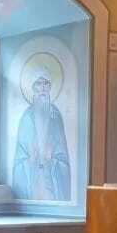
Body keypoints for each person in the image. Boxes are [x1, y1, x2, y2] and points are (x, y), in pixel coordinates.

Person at [12, 73, 71, 201]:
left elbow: (63, 158)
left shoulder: (56, 117)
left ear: (50, 88)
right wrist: (30, 160)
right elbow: (18, 163)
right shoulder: (26, 118)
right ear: (33, 88)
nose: (43, 88)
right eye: (39, 83)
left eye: (46, 83)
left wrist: (53, 159)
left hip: (51, 181)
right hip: (33, 181)